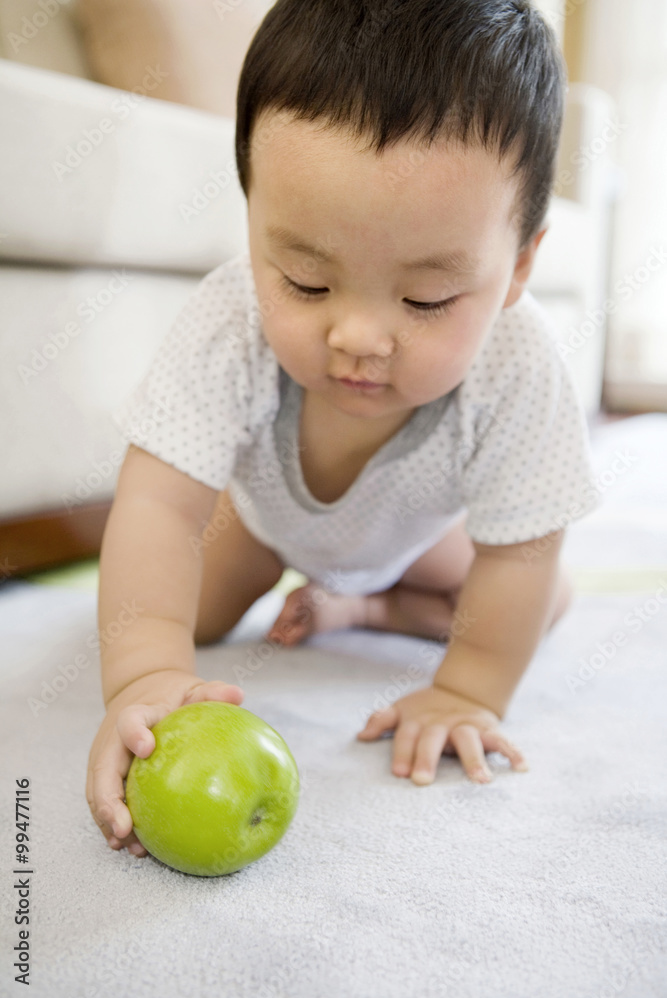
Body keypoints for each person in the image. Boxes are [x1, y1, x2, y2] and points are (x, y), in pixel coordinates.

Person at [87, 0, 599, 857]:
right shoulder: (227, 323)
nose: (357, 337)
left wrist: (468, 691)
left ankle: (367, 602)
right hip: (255, 522)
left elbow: (516, 548)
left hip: (418, 531)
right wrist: (145, 675)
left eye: (426, 299)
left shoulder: (519, 365)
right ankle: (335, 595)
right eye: (306, 282)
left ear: (515, 269)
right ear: (251, 221)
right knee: (184, 614)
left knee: (534, 596)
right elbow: (158, 509)